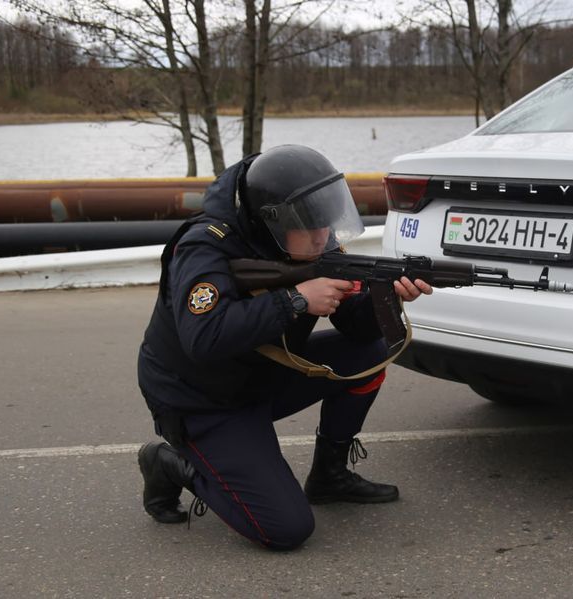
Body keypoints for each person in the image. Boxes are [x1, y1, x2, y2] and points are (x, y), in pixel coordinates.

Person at [136, 144, 433, 550]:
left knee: (372, 352)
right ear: (271, 221)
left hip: (262, 376)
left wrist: (391, 297)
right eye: (311, 228)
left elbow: (356, 329)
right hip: (200, 399)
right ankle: (172, 465)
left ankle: (329, 476)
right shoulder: (205, 246)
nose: (324, 236)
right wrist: (295, 299)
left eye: (326, 224)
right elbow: (202, 338)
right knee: (286, 529)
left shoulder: (315, 236)